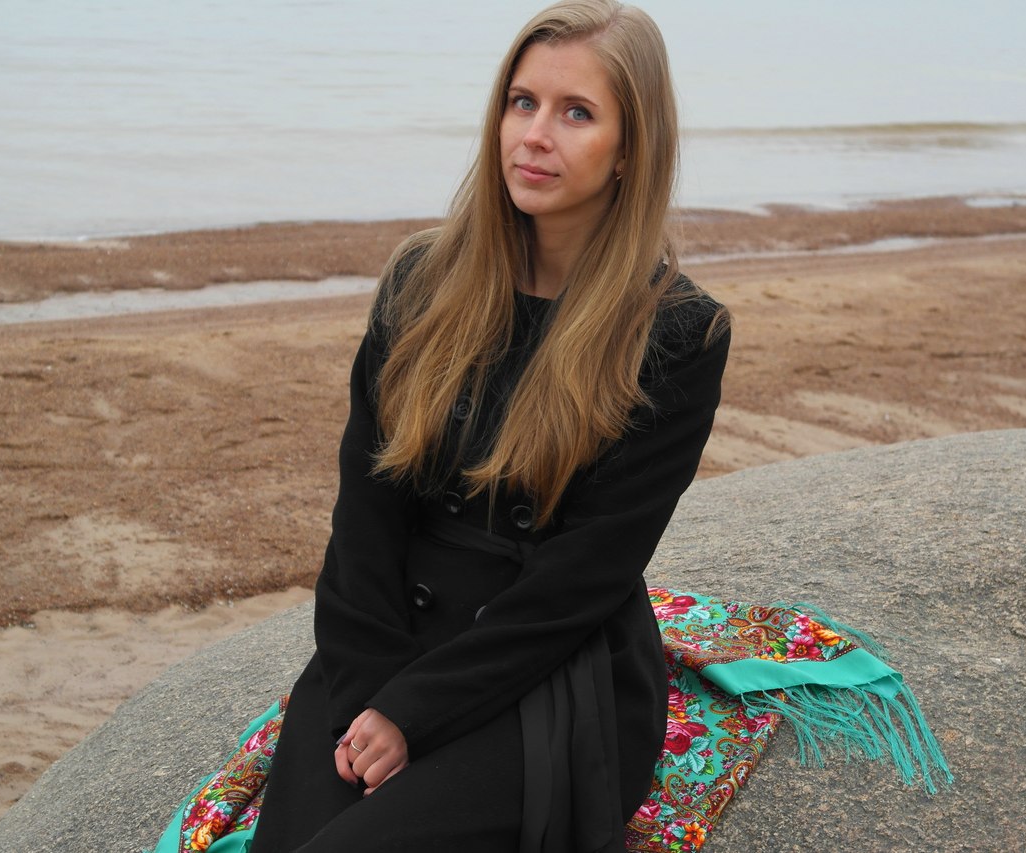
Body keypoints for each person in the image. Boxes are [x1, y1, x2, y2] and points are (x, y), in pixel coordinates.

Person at [248, 1, 730, 850]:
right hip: (388, 632)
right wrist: (368, 689)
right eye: (522, 102)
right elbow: (365, 510)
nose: (535, 135)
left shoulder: (678, 333)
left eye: (576, 113)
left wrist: (413, 710)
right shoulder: (421, 281)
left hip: (543, 666)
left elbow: (583, 575)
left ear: (630, 149)